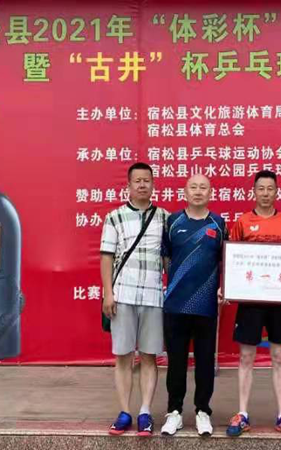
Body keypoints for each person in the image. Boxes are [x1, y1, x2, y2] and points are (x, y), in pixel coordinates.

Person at [225, 170, 281, 439]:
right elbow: (232, 258)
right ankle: (242, 413)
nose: (266, 193)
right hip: (251, 302)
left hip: (279, 301)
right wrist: (229, 286)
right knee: (246, 356)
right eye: (261, 188)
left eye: (270, 189)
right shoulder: (243, 222)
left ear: (277, 191)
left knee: (279, 356)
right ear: (254, 191)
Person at [100, 162, 169, 436]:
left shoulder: (165, 218)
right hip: (123, 295)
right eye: (137, 181)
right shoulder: (114, 217)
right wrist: (108, 293)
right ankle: (124, 411)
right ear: (128, 185)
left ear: (153, 184)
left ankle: (145, 412)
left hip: (154, 296)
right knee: (123, 356)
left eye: (146, 180)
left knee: (149, 356)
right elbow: (106, 257)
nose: (142, 185)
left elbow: (168, 261)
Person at [159, 174, 227, 437]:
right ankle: (174, 412)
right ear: (185, 192)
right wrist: (178, 282)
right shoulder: (173, 221)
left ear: (211, 193)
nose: (198, 191)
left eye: (203, 187)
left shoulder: (218, 223)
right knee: (176, 361)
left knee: (204, 361)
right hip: (176, 304)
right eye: (193, 187)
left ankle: (203, 411)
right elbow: (166, 258)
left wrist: (220, 287)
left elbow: (223, 261)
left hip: (206, 305)